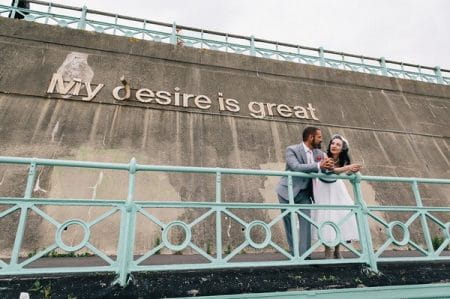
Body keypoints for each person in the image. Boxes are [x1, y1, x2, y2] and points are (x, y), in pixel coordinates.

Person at [276, 127, 334, 257]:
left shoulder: (319, 153)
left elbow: (324, 171)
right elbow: (296, 167)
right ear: (311, 137)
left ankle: (305, 255)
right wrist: (319, 166)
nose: (321, 139)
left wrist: (330, 167)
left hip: (305, 194)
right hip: (287, 191)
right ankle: (293, 253)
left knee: (306, 222)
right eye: (319, 137)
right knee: (289, 223)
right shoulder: (292, 150)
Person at [311, 134, 361, 259]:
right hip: (323, 189)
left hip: (337, 189)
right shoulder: (323, 156)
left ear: (342, 148)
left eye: (338, 144)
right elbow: (331, 170)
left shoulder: (344, 161)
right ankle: (327, 249)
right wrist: (348, 167)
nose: (334, 146)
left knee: (340, 216)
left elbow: (345, 173)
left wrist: (352, 171)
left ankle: (338, 250)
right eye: (333, 143)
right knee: (325, 217)